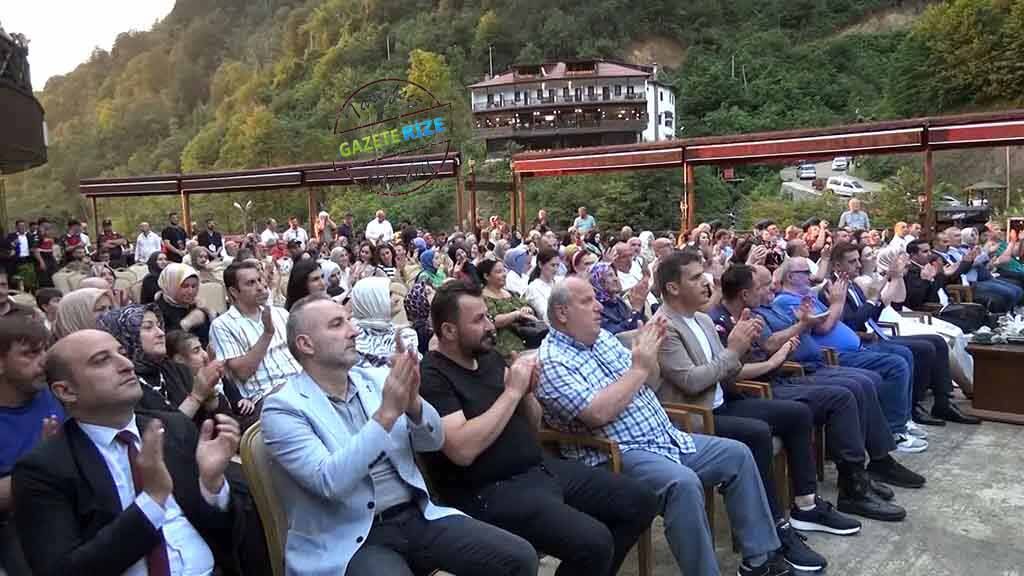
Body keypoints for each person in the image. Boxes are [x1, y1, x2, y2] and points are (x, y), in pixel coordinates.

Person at [260, 295, 538, 576]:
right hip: (352, 539)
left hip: (416, 516)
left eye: (349, 321)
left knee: (519, 558)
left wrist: (414, 404)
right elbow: (329, 482)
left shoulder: (374, 379)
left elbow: (433, 441)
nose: (353, 331)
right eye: (337, 324)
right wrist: (387, 414)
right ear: (306, 344)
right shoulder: (283, 408)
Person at [537, 277, 790, 576]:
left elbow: (649, 381)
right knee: (683, 483)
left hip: (665, 436)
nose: (599, 307)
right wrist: (639, 367)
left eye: (596, 298)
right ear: (562, 313)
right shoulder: (552, 360)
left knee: (738, 454)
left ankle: (759, 561)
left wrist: (650, 356)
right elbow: (597, 413)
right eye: (587, 301)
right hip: (617, 454)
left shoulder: (603, 338)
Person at [421, 281, 659, 576]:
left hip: (537, 468)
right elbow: (462, 450)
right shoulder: (432, 377)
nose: (490, 326)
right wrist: (512, 393)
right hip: (490, 490)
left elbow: (532, 427)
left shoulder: (487, 358)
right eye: (479, 320)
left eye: (488, 316)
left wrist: (528, 393)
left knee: (640, 502)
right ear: (448, 331)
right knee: (594, 543)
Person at [653, 251, 856, 572]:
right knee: (757, 434)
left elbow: (728, 370)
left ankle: (806, 506)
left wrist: (743, 349)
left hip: (724, 402)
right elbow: (691, 382)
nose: (706, 282)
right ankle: (775, 529)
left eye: (703, 274)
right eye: (695, 277)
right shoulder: (664, 327)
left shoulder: (702, 319)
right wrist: (734, 350)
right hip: (696, 418)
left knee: (796, 414)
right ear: (672, 288)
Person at [13, 329, 244, 576]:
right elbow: (63, 571)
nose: (126, 365)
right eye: (102, 360)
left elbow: (227, 536)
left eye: (122, 353)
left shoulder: (173, 428)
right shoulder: (43, 469)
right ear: (66, 391)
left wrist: (211, 488)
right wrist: (152, 500)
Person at [711, 263, 910, 520]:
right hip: (761, 388)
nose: (769, 289)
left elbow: (766, 349)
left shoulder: (751, 313)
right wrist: (775, 359)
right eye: (761, 287)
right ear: (745, 294)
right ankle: (853, 488)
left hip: (781, 375)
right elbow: (733, 370)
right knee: (843, 395)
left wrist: (785, 347)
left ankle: (868, 468)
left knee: (859, 384)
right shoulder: (718, 321)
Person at [773, 258, 924, 452]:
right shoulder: (785, 300)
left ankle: (902, 420)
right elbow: (823, 327)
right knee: (895, 365)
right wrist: (838, 302)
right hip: (834, 355)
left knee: (904, 354)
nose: (810, 277)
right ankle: (895, 431)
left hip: (855, 346)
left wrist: (837, 304)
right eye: (805, 273)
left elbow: (838, 319)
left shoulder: (808, 295)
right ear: (790, 277)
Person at [829, 242, 979, 425]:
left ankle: (944, 402)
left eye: (858, 260)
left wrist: (879, 297)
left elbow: (873, 314)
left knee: (938, 341)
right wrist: (872, 300)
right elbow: (851, 324)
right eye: (852, 262)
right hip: (862, 340)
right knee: (923, 349)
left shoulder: (851, 284)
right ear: (837, 265)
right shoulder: (833, 289)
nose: (859, 265)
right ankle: (913, 406)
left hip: (875, 331)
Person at [0, 316, 62, 576]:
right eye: (30, 353)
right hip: (20, 526)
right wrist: (42, 462)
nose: (43, 361)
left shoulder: (56, 392)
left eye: (45, 350)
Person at [98, 305, 227, 424]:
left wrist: (210, 395)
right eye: (148, 327)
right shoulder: (123, 383)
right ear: (127, 335)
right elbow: (156, 433)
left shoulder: (177, 370)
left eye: (159, 326)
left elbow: (209, 418)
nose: (161, 333)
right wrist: (196, 397)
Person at [209, 261, 300, 427]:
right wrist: (267, 334)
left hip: (302, 383)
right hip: (267, 395)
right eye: (250, 283)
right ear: (234, 292)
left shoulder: (280, 313)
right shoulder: (222, 325)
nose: (259, 287)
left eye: (259, 280)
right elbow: (243, 372)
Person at [350, 276, 419, 366]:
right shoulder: (352, 342)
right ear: (370, 302)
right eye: (388, 295)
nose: (397, 299)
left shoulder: (405, 334)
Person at [479, 259, 537, 361]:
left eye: (504, 271)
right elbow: (493, 320)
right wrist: (516, 314)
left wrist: (527, 310)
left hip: (527, 339)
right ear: (486, 276)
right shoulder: (482, 297)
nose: (504, 275)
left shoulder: (511, 293)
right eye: (498, 272)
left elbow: (527, 307)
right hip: (504, 347)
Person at [589, 262, 647, 334]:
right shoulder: (597, 308)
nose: (615, 279)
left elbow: (638, 323)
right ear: (599, 280)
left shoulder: (618, 301)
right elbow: (617, 333)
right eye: (610, 275)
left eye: (615, 275)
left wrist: (640, 306)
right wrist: (636, 310)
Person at [524, 247, 559, 322]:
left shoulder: (558, 283)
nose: (556, 269)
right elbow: (545, 314)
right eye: (552, 265)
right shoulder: (534, 288)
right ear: (540, 264)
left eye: (558, 265)